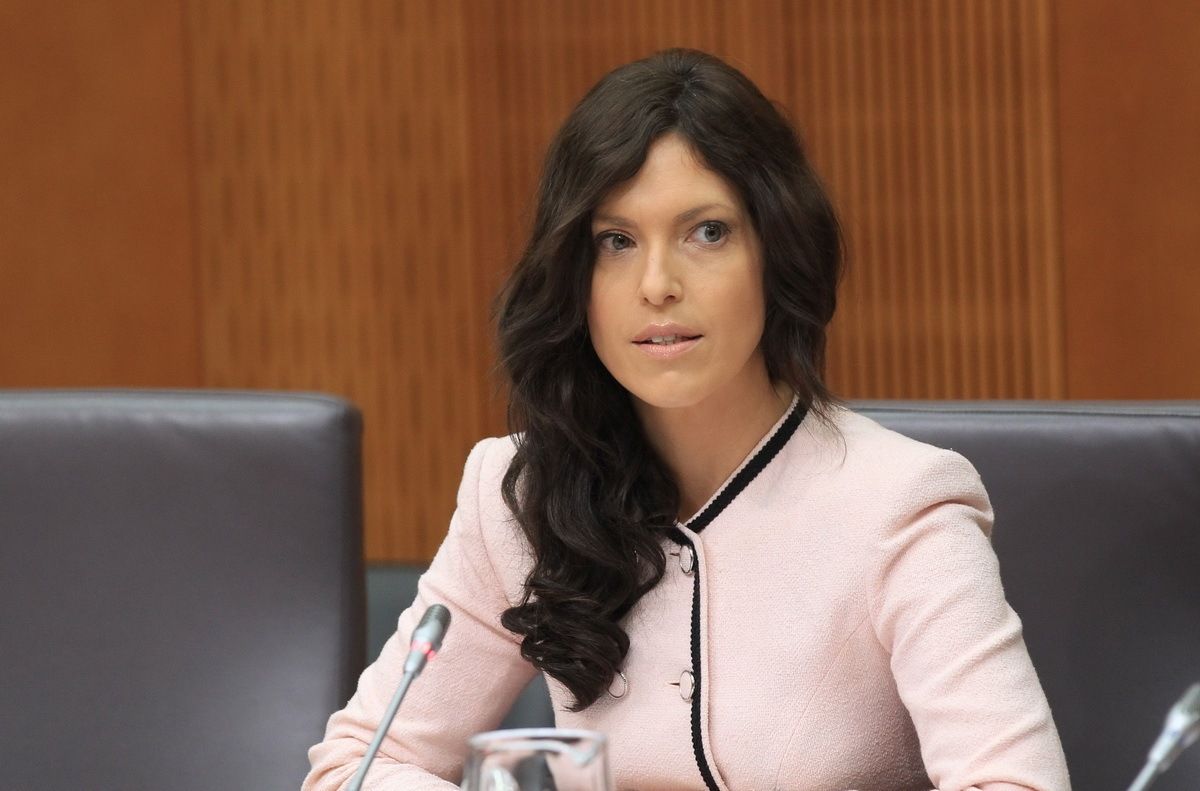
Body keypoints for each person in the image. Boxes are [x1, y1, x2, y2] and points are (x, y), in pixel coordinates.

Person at [303, 48, 1070, 791]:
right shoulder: (522, 494)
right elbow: (352, 768)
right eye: (616, 241)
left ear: (777, 251)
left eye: (707, 232)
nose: (657, 284)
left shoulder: (900, 504)